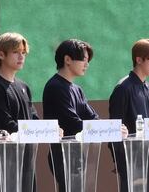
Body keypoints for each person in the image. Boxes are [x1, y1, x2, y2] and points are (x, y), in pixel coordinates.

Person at [0, 32, 39, 192]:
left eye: (23, 53)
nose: (21, 56)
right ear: (1, 54)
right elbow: (4, 123)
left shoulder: (23, 86)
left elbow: (33, 116)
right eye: (16, 52)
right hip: (6, 159)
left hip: (27, 156)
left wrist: (48, 129)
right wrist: (35, 131)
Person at [42, 39, 99, 191]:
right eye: (83, 60)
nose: (87, 64)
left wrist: (108, 128)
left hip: (78, 153)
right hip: (63, 154)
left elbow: (92, 116)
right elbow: (71, 122)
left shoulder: (77, 89)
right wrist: (101, 128)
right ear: (67, 60)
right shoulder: (55, 86)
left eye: (88, 61)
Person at [109, 39, 149, 192]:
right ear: (138, 59)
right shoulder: (123, 88)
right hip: (130, 157)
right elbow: (115, 126)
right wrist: (118, 159)